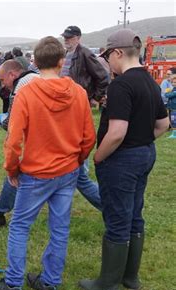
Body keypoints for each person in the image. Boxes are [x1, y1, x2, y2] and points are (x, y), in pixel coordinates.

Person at [0, 36, 96, 290]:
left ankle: (13, 285)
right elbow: (89, 137)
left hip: (36, 174)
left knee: (20, 226)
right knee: (59, 228)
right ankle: (50, 282)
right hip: (67, 171)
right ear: (62, 61)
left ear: (35, 62)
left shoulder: (27, 93)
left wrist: (12, 170)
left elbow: (13, 140)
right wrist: (78, 160)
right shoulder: (79, 93)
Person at [79, 29, 169, 290]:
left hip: (122, 161)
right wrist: (139, 141)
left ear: (118, 53)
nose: (107, 62)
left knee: (118, 218)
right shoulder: (151, 82)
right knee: (134, 215)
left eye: (108, 56)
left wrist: (98, 156)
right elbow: (163, 125)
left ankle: (107, 285)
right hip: (145, 154)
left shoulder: (121, 85)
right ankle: (130, 278)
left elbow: (116, 132)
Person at [0, 60, 39, 226]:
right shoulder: (36, 78)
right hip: (63, 143)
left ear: (12, 75)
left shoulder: (21, 86)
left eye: (2, 80)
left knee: (15, 174)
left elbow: (10, 124)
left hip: (45, 144)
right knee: (80, 181)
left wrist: (3, 119)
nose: (3, 85)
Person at [61, 25, 109, 211]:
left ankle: (82, 169)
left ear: (78, 38)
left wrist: (92, 97)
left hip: (78, 104)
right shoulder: (66, 54)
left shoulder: (85, 54)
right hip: (66, 106)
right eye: (65, 37)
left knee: (80, 139)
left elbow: (102, 77)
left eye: (70, 37)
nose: (66, 40)